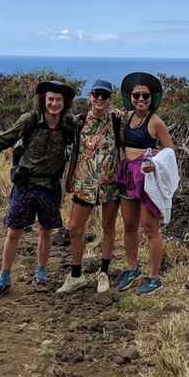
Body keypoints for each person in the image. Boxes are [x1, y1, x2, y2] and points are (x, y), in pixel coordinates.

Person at [0, 80, 76, 300]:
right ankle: (4, 277)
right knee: (14, 231)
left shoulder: (69, 124)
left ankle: (40, 273)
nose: (54, 103)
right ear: (43, 100)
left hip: (50, 186)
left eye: (58, 100)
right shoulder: (30, 120)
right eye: (50, 99)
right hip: (25, 185)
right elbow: (4, 140)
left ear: (65, 103)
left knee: (46, 230)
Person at [57, 80, 122, 294]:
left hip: (109, 183)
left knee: (108, 227)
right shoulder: (79, 121)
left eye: (105, 95)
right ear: (90, 96)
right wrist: (69, 180)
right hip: (84, 182)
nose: (100, 98)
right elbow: (75, 149)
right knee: (75, 228)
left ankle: (104, 272)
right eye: (97, 94)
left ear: (110, 99)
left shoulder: (116, 120)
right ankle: (76, 275)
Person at [114, 72, 175, 294]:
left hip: (147, 179)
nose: (141, 99)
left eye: (145, 95)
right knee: (129, 226)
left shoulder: (156, 122)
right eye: (136, 95)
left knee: (150, 228)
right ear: (130, 96)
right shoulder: (128, 117)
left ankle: (154, 277)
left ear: (152, 98)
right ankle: (132, 269)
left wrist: (156, 163)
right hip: (127, 176)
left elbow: (170, 151)